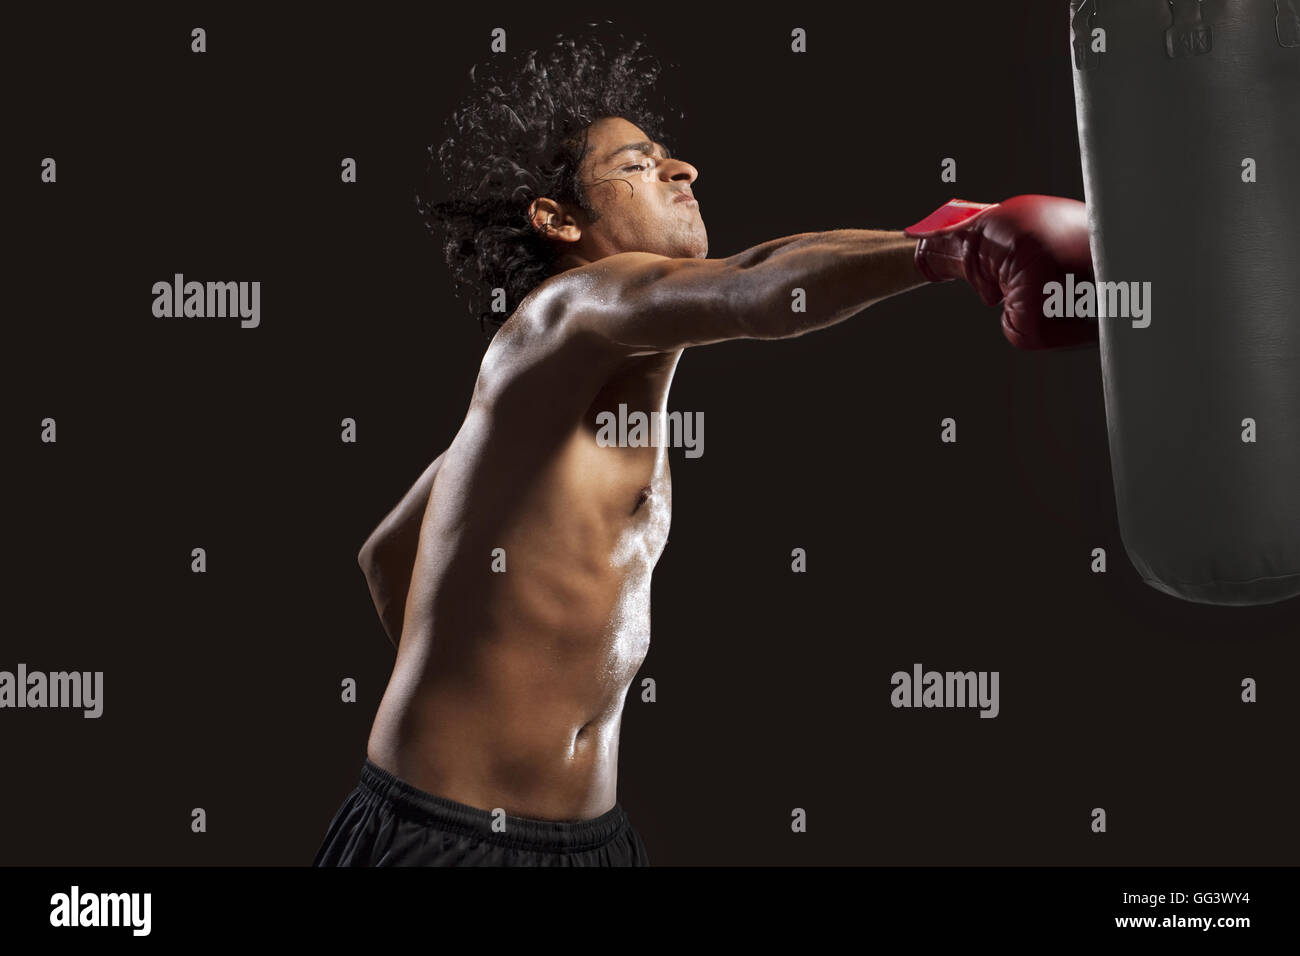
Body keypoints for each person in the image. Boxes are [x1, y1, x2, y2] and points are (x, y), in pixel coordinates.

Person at [313, 27, 1096, 867]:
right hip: (448, 840)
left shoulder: (540, 406)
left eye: (670, 157)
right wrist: (950, 248)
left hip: (590, 844)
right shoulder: (566, 310)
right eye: (638, 164)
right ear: (557, 220)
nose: (682, 170)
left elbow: (387, 554)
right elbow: (756, 285)